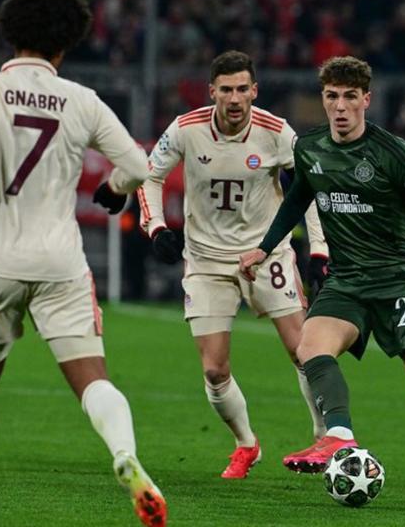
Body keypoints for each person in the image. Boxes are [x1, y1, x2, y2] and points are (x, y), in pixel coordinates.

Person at [0, 0, 165, 526]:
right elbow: (138, 165)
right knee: (94, 380)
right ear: (65, 45)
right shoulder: (83, 100)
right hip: (60, 261)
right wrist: (115, 192)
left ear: (11, 33)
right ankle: (125, 456)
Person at [239, 56, 405, 502]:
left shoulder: (393, 152)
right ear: (324, 100)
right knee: (309, 346)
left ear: (366, 100)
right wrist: (264, 247)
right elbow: (295, 202)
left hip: (400, 282)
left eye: (351, 97)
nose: (341, 107)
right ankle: (340, 435)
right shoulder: (310, 149)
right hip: (347, 280)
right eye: (332, 97)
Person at [137, 50, 329, 479]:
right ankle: (246, 443)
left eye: (243, 89)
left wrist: (319, 250)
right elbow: (148, 175)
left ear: (254, 91)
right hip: (206, 260)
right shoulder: (186, 130)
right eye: (226, 89)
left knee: (303, 349)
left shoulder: (276, 132)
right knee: (213, 367)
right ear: (213, 93)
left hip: (266, 253)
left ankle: (323, 436)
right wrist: (155, 227)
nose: (235, 97)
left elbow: (309, 187)